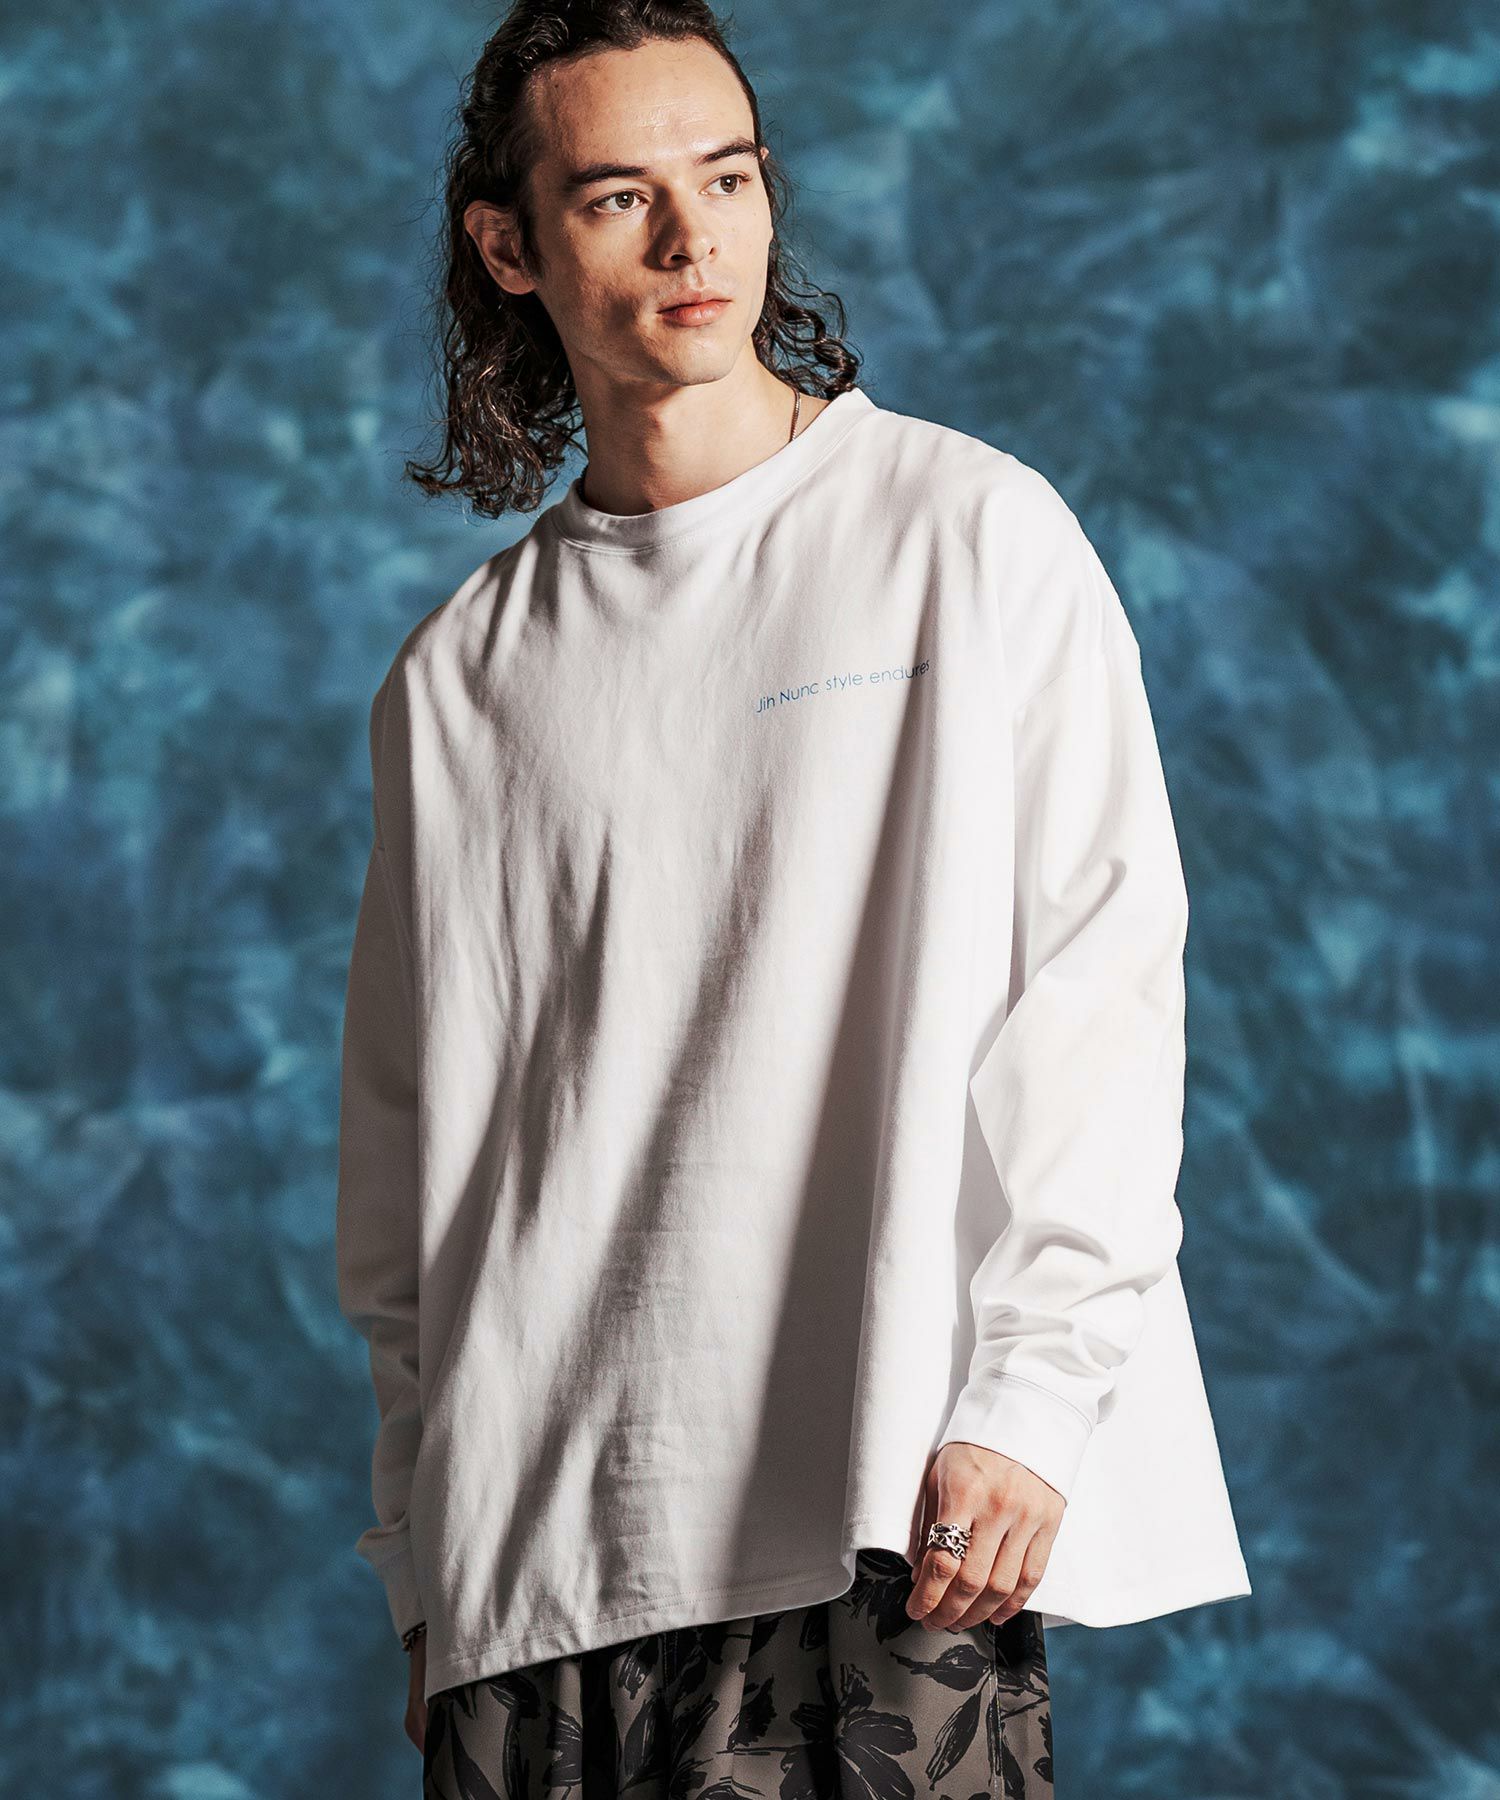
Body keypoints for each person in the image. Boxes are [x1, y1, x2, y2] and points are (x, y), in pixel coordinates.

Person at [333, 3, 1253, 1794]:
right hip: (537, 1575)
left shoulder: (967, 536)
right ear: (510, 248)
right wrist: (418, 1566)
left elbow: (1100, 988)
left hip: (887, 1521)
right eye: (620, 196)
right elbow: (407, 1170)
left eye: (731, 176)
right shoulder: (455, 682)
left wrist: (1033, 1396)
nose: (696, 239)